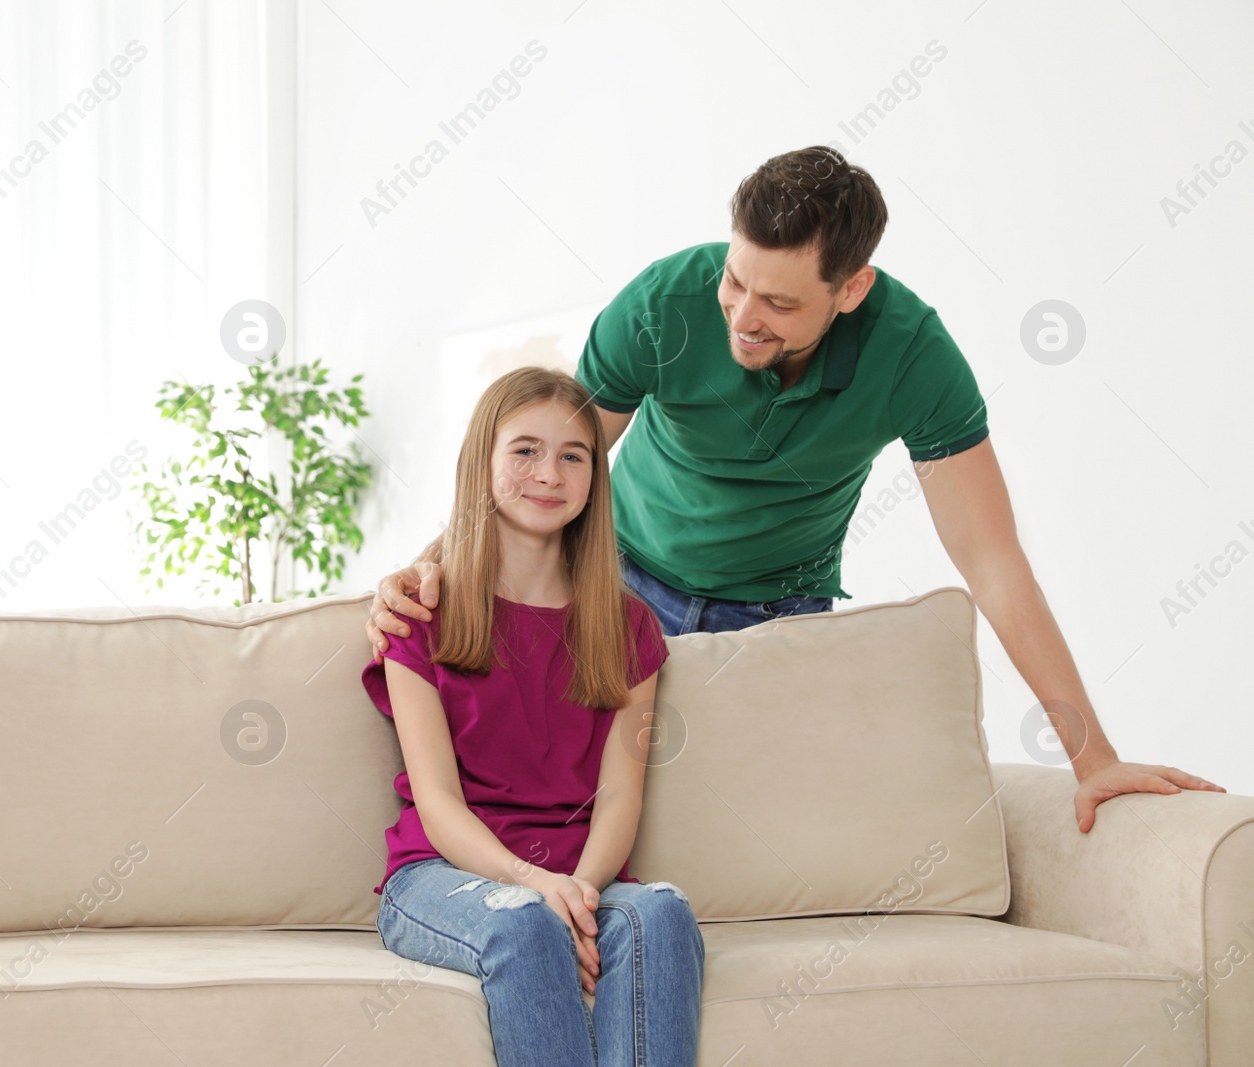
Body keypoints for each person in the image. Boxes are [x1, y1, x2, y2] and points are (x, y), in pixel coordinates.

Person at [368, 144, 1224, 834]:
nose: (741, 314)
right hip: (619, 582)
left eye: (777, 301)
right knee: (577, 797)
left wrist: (1094, 755)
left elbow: (993, 561)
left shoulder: (915, 358)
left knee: (747, 823)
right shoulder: (663, 305)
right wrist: (428, 567)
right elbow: (539, 470)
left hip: (777, 610)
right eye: (735, 279)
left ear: (852, 289)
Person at [361, 366, 704, 1066]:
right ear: (483, 462)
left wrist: (575, 893)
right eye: (525, 450)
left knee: (662, 913)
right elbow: (437, 801)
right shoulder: (417, 616)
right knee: (524, 925)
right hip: (445, 871)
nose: (549, 472)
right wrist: (532, 884)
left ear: (593, 477)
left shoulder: (630, 626)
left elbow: (619, 795)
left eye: (573, 455)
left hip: (585, 876)